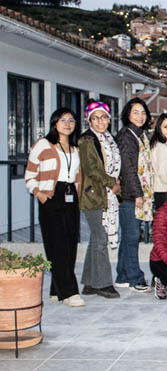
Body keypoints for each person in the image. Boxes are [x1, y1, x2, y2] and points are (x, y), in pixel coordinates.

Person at [25, 108, 84, 306]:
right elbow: (30, 175)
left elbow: (77, 176)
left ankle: (56, 289)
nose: (68, 124)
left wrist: (78, 195)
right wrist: (40, 194)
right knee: (57, 245)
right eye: (63, 120)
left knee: (70, 245)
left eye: (71, 120)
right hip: (51, 197)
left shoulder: (75, 148)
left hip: (70, 197)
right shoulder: (43, 144)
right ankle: (69, 293)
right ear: (54, 123)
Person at [77, 101, 121, 299]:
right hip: (93, 195)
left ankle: (89, 283)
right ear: (89, 120)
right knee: (101, 238)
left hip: (105, 194)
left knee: (96, 238)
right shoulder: (87, 140)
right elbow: (91, 168)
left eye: (104, 117)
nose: (101, 121)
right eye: (96, 117)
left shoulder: (107, 138)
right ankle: (103, 284)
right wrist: (111, 182)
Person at [114, 97, 154, 292]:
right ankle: (134, 277)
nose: (140, 116)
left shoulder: (140, 135)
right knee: (131, 236)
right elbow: (128, 168)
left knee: (129, 236)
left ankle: (122, 274)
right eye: (135, 112)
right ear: (127, 114)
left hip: (137, 193)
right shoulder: (126, 136)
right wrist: (138, 194)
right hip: (131, 195)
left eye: (143, 112)